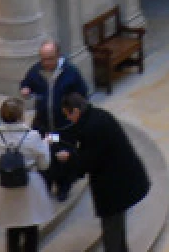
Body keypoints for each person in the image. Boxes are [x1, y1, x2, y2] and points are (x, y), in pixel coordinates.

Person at [56, 93, 150, 252]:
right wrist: (53, 139)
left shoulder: (92, 127)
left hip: (114, 186)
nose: (69, 119)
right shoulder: (97, 115)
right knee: (117, 230)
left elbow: (89, 161)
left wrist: (69, 158)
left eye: (68, 115)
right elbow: (76, 138)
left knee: (112, 233)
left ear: (76, 111)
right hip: (122, 181)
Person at [19, 40, 89, 200]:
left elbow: (82, 95)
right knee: (45, 156)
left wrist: (74, 112)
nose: (46, 63)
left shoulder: (71, 72)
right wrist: (25, 89)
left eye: (50, 59)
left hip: (64, 128)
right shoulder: (36, 71)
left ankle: (64, 186)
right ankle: (47, 183)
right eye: (43, 59)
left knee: (64, 157)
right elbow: (26, 82)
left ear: (58, 56)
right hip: (44, 126)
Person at [0, 98, 54, 252]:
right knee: (31, 231)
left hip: (7, 189)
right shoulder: (33, 136)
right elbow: (44, 164)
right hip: (30, 186)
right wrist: (46, 145)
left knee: (12, 231)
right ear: (20, 116)